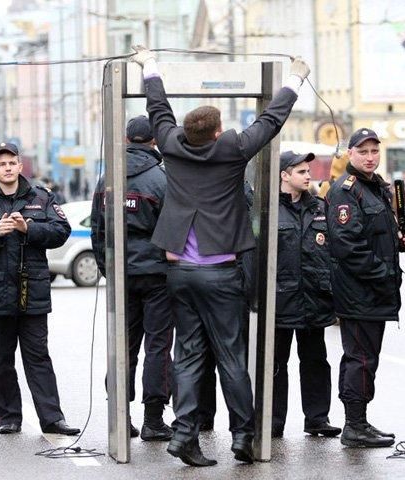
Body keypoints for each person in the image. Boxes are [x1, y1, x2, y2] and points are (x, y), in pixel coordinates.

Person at [131, 44, 310, 466]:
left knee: (188, 355)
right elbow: (271, 120)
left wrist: (148, 64)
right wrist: (295, 78)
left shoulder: (171, 145)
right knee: (231, 356)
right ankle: (243, 436)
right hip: (220, 272)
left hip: (179, 272)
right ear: (216, 133)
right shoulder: (229, 149)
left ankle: (185, 435)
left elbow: (158, 109)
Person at [0, 142, 79, 436]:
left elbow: (61, 231)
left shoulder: (41, 198)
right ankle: (9, 417)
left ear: (20, 166)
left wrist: (28, 228)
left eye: (11, 163)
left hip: (32, 291)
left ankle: (52, 418)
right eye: (1, 163)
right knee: (1, 360)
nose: (7, 168)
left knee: (38, 357)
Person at [325, 128, 405, 448]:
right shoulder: (346, 191)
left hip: (373, 290)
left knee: (365, 358)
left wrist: (403, 243)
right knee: (360, 359)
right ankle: (355, 425)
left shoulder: (375, 188)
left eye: (374, 151)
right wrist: (382, 274)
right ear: (350, 154)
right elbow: (347, 245)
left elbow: (378, 236)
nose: (369, 157)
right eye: (362, 152)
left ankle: (360, 422)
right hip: (360, 291)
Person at [91, 115, 173, 441]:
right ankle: (154, 419)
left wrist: (106, 270)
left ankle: (120, 417)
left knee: (122, 346)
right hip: (156, 275)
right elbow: (174, 233)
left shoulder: (107, 180)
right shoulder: (162, 180)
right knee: (158, 347)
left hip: (122, 275)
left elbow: (98, 231)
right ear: (154, 141)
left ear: (126, 138)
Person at [272, 151, 341, 439]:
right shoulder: (268, 208)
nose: (308, 175)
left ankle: (317, 418)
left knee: (315, 360)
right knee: (275, 364)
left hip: (314, 298)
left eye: (308, 170)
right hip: (280, 300)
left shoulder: (319, 207)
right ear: (284, 175)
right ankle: (272, 421)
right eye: (300, 171)